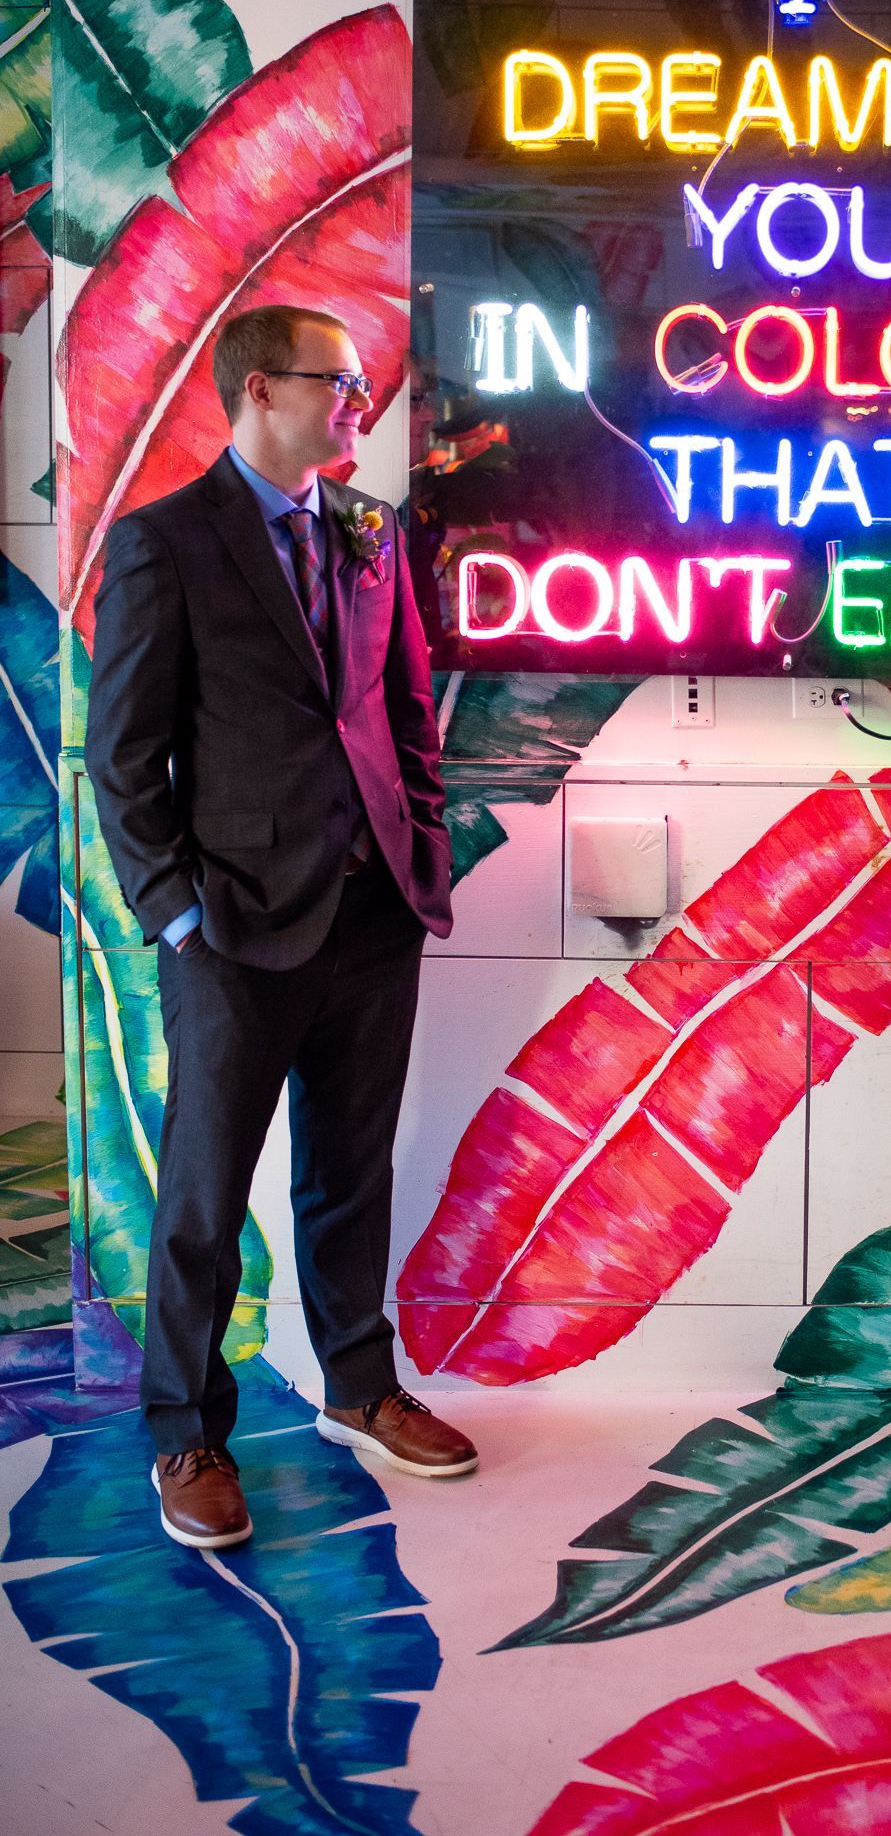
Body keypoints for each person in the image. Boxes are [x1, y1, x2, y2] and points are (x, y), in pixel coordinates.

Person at [86, 304, 477, 1552]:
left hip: (373, 909)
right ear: (263, 392)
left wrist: (420, 840)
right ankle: (186, 1430)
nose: (362, 404)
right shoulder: (165, 544)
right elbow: (124, 752)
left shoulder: (371, 529)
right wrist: (177, 910)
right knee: (203, 1193)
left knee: (352, 1171)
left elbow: (404, 706)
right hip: (234, 926)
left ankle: (359, 1385)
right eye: (342, 384)